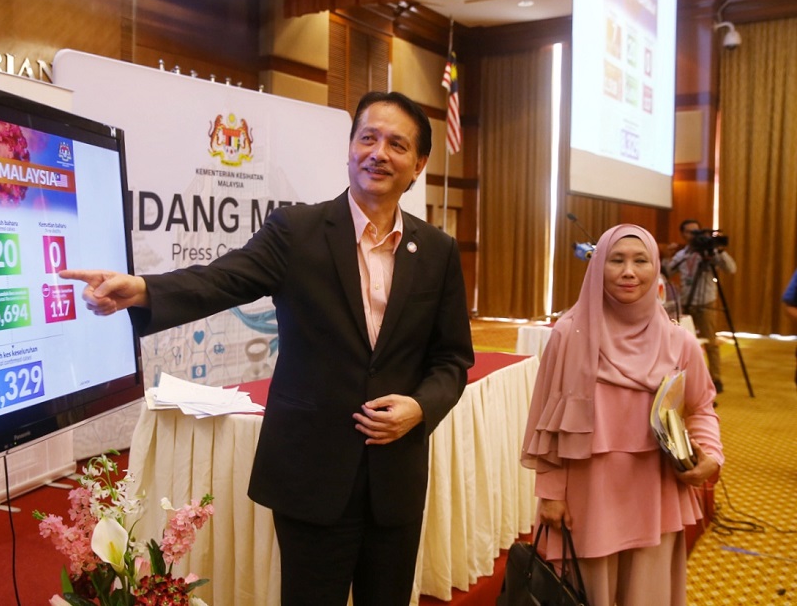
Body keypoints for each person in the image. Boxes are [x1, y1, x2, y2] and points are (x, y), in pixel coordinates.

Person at [61, 91, 475, 606]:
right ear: (349, 150)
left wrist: (420, 407)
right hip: (311, 474)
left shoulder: (436, 251)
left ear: (419, 164)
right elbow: (222, 279)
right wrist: (144, 289)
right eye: (368, 138)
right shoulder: (297, 232)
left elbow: (451, 359)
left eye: (397, 144)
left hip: (395, 480)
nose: (379, 153)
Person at [521, 224, 722, 606]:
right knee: (586, 594)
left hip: (655, 492)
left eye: (640, 260)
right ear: (597, 267)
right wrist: (549, 493)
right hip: (587, 495)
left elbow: (701, 408)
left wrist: (711, 455)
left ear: (656, 268)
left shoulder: (679, 341)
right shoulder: (569, 336)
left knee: (647, 594)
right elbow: (543, 420)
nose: (629, 271)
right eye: (616, 260)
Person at [665, 219, 736, 393]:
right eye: (690, 232)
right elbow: (668, 271)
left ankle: (716, 379)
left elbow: (731, 269)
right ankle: (682, 379)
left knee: (711, 342)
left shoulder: (710, 253)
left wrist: (718, 251)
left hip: (706, 303)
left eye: (697, 231)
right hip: (686, 303)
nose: (694, 235)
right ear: (683, 234)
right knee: (683, 343)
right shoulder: (682, 255)